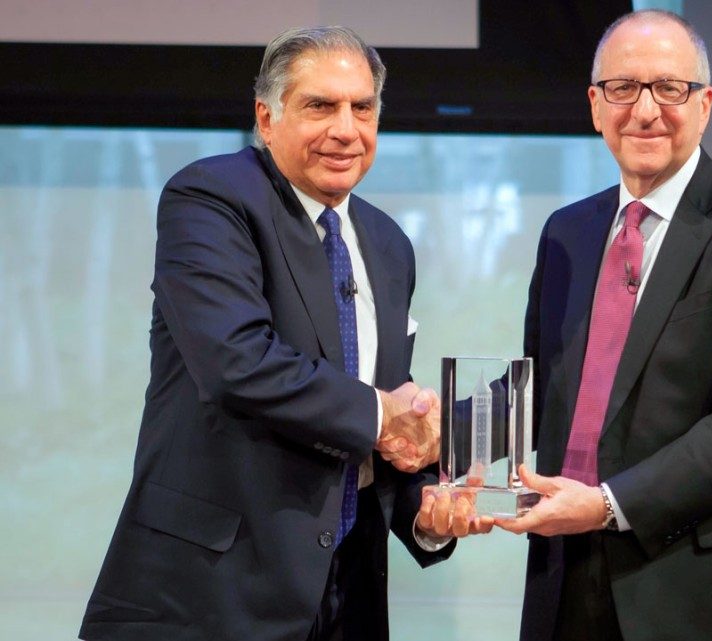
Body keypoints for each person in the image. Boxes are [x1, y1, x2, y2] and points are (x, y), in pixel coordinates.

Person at [79, 26, 489, 641]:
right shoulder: (212, 197)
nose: (346, 129)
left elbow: (377, 408)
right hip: (208, 596)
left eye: (362, 108)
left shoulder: (387, 243)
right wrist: (389, 415)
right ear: (266, 119)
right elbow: (236, 362)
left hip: (347, 595)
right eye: (320, 106)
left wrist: (426, 514)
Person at [497, 10, 712, 641]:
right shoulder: (566, 231)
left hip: (702, 591)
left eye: (669, 88)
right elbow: (539, 388)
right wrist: (439, 432)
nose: (645, 110)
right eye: (623, 89)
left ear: (704, 105)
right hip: (567, 574)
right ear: (596, 106)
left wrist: (609, 505)